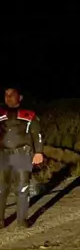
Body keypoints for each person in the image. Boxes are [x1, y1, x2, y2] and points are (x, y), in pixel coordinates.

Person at [0, 87, 44, 229]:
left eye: (12, 94)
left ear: (20, 97)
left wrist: (39, 152)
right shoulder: (0, 113)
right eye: (6, 95)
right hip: (3, 154)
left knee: (23, 187)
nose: (9, 97)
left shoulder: (29, 114)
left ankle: (21, 220)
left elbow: (37, 134)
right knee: (1, 188)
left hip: (22, 154)